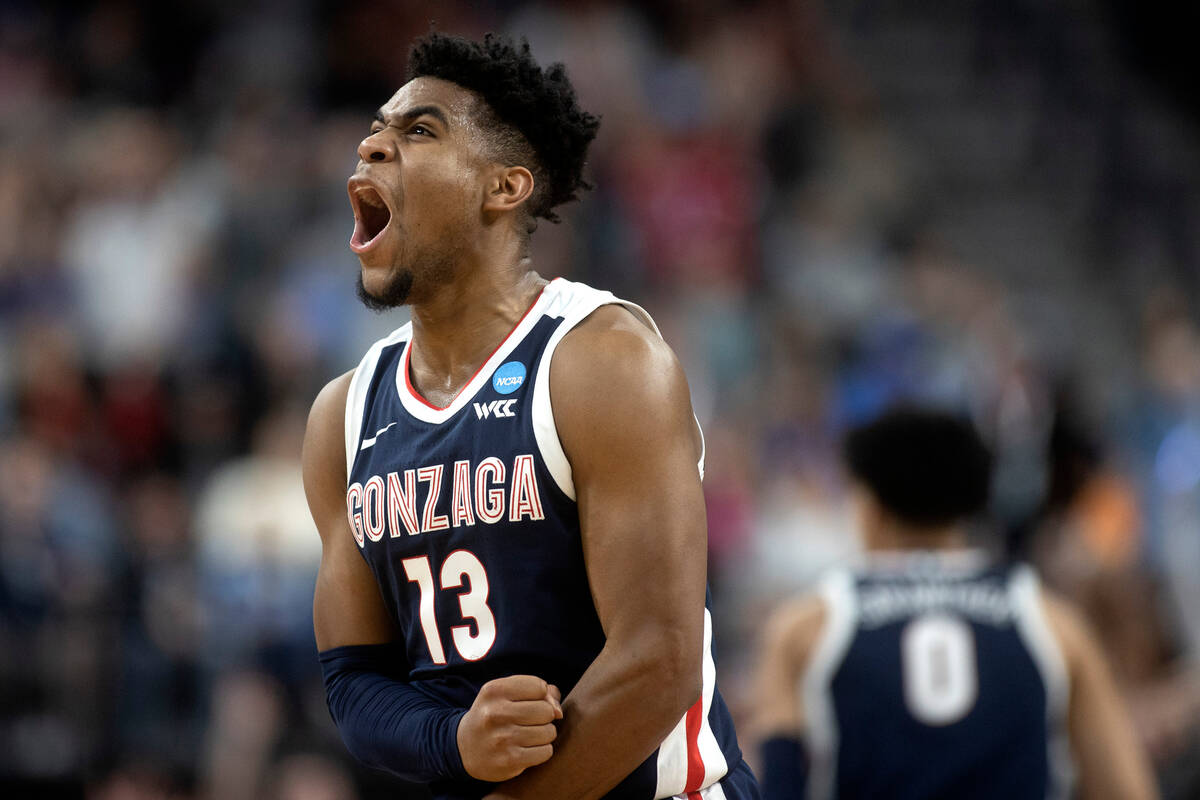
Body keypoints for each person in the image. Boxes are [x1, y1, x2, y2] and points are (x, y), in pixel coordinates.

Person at [301, 32, 759, 800]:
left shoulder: (603, 360)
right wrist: (453, 741)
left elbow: (658, 660)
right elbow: (353, 680)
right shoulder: (342, 413)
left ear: (504, 187)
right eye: (377, 130)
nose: (373, 146)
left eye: (418, 131)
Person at [750, 407, 1157, 800]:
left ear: (868, 507)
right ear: (969, 505)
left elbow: (779, 780)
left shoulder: (806, 628)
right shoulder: (1053, 624)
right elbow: (1125, 789)